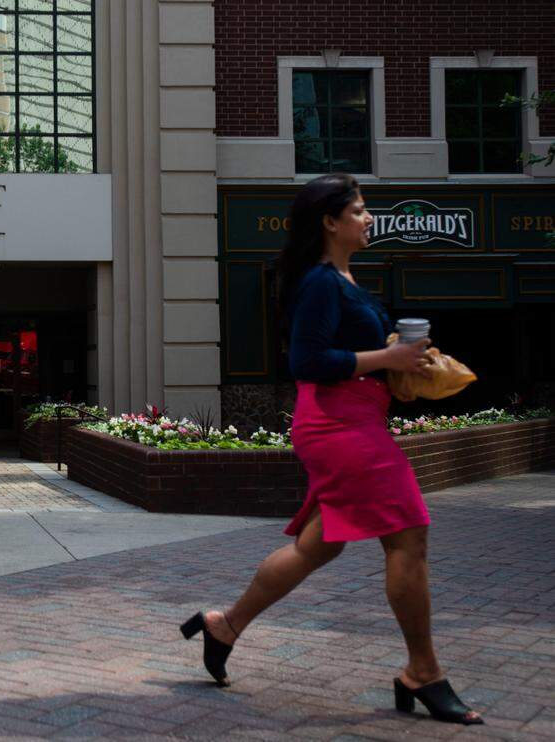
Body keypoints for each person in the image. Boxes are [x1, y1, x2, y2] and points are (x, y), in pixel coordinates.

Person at [180, 173, 482, 725]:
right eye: (361, 210)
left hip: (352, 421)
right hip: (341, 428)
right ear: (330, 221)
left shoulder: (342, 277)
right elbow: (308, 362)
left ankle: (224, 625)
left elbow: (345, 352)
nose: (370, 219)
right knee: (408, 538)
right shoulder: (321, 281)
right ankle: (423, 672)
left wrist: (402, 355)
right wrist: (388, 360)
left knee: (319, 547)